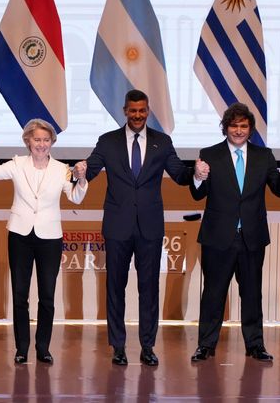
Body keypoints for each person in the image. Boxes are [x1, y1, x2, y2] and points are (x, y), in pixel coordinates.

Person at [85, 89, 202, 366]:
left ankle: (148, 346)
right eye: (132, 110)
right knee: (115, 287)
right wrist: (77, 172)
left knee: (149, 289)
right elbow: (88, 170)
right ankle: (118, 346)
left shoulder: (162, 142)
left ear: (147, 111)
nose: (137, 115)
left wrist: (196, 174)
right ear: (125, 111)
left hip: (150, 227)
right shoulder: (107, 141)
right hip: (117, 227)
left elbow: (179, 174)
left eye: (142, 110)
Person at [189, 102, 280, 363]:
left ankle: (255, 345)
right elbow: (197, 194)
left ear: (250, 129)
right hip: (217, 238)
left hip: (251, 237)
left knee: (252, 294)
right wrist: (196, 175)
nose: (238, 131)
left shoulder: (264, 156)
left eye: (243, 126)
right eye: (233, 125)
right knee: (214, 294)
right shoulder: (210, 154)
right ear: (225, 127)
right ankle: (205, 345)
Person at [0, 118, 89, 365]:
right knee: (20, 295)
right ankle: (22, 348)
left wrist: (82, 179)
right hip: (20, 235)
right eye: (36, 139)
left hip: (50, 238)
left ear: (52, 142)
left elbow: (75, 198)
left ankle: (43, 347)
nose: (41, 144)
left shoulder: (62, 169)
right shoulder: (17, 164)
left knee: (47, 296)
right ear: (28, 141)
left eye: (45, 140)